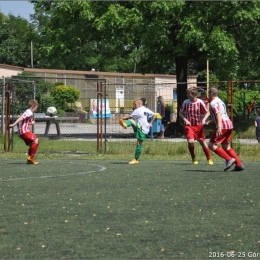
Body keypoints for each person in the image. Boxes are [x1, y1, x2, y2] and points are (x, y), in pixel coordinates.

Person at [202, 87, 245, 171]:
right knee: (226, 146)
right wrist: (208, 123)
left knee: (211, 145)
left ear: (211, 94)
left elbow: (218, 114)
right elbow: (220, 115)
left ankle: (228, 159)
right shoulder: (220, 101)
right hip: (229, 124)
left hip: (223, 125)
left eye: (208, 94)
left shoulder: (213, 102)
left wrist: (219, 126)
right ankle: (239, 164)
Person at [179, 86, 213, 165]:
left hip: (198, 125)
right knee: (190, 141)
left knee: (202, 142)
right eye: (187, 93)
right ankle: (193, 157)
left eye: (188, 93)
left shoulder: (200, 102)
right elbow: (180, 113)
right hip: (189, 126)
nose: (187, 95)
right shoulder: (186, 102)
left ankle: (209, 158)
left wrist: (204, 120)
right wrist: (186, 120)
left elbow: (208, 112)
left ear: (194, 94)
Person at [119, 98, 156, 164]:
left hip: (142, 128)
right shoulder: (146, 109)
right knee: (134, 123)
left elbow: (129, 117)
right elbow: (154, 115)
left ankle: (135, 159)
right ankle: (135, 159)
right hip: (144, 127)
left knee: (139, 143)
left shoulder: (138, 110)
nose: (134, 105)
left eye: (135, 104)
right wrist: (151, 123)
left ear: (139, 104)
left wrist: (123, 118)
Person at [9, 100, 40, 165]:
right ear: (32, 106)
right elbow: (22, 118)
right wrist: (14, 124)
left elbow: (25, 121)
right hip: (24, 131)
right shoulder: (29, 112)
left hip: (22, 132)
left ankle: (29, 160)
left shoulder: (29, 112)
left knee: (32, 145)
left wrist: (31, 122)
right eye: (36, 108)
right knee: (36, 140)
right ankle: (31, 158)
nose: (36, 110)